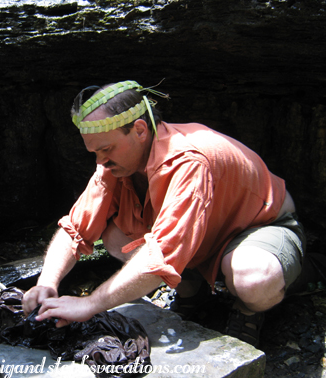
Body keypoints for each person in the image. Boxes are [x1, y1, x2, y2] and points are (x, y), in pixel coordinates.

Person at [22, 80, 306, 347]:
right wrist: (47, 281)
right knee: (113, 237)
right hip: (202, 234)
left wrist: (90, 303)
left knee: (253, 278)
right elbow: (76, 228)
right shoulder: (112, 164)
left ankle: (249, 308)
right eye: (94, 153)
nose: (100, 162)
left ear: (140, 130)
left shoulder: (188, 161)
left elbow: (162, 253)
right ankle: (193, 292)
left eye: (106, 149)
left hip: (259, 226)